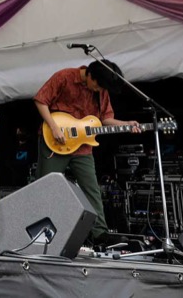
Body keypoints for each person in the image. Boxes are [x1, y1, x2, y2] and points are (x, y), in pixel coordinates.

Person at [33, 60, 141, 244]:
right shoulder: (65, 76)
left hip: (83, 146)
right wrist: (54, 127)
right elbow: (40, 100)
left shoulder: (102, 88)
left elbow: (105, 119)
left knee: (92, 188)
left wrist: (126, 124)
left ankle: (99, 233)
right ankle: (39, 230)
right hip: (55, 141)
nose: (98, 90)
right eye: (97, 85)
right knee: (47, 186)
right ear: (90, 74)